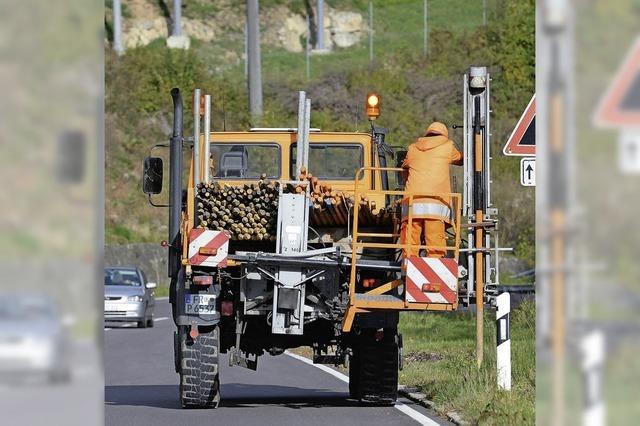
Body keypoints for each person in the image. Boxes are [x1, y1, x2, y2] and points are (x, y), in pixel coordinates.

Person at [400, 122, 463, 258]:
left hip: (412, 202)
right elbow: (461, 159)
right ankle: (434, 269)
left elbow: (404, 167)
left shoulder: (412, 148)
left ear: (427, 133)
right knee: (434, 242)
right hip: (435, 203)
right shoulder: (447, 146)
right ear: (444, 134)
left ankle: (407, 268)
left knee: (410, 241)